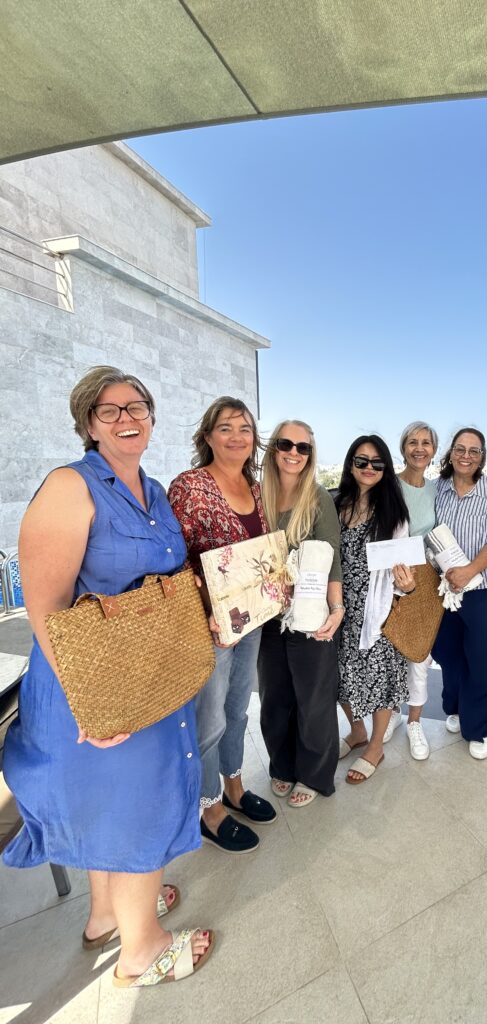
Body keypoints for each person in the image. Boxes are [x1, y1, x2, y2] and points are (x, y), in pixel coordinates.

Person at [2, 366, 213, 987]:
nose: (126, 418)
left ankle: (106, 916)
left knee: (110, 809)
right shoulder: (71, 487)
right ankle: (142, 950)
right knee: (139, 806)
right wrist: (93, 703)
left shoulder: (152, 489)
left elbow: (165, 577)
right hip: (95, 688)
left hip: (149, 678)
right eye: (109, 410)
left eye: (137, 406)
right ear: (88, 424)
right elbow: (45, 608)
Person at [168, 397, 276, 854]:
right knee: (207, 719)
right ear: (208, 436)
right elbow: (171, 561)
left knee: (237, 708)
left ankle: (233, 784)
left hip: (250, 621)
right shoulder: (189, 487)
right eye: (226, 428)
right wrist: (203, 604)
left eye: (245, 429)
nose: (237, 437)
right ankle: (207, 807)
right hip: (206, 626)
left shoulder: (254, 487)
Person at [257, 420, 343, 807]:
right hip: (266, 616)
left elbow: (333, 562)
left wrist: (336, 608)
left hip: (310, 616)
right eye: (286, 444)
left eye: (303, 447)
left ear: (311, 455)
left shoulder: (319, 499)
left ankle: (314, 773)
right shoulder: (255, 496)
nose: (294, 452)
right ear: (273, 448)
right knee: (275, 696)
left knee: (314, 699)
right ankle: (283, 765)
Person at [336, 435, 415, 783]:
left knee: (381, 681)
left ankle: (376, 745)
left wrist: (407, 584)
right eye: (361, 461)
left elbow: (402, 577)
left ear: (386, 468)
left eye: (377, 463)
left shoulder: (394, 514)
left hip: (376, 612)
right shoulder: (336, 504)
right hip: (338, 609)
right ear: (350, 464)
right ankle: (357, 732)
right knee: (341, 679)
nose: (368, 468)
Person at [432, 427, 487, 759]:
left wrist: (469, 572)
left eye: (474, 451)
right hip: (444, 589)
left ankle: (478, 727)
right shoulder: (436, 490)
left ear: (482, 457)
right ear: (450, 453)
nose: (466, 455)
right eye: (460, 449)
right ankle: (454, 705)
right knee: (448, 653)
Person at [383, 421, 439, 760]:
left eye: (426, 443)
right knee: (389, 650)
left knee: (419, 653)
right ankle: (390, 712)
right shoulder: (388, 486)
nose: (419, 448)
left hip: (427, 581)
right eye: (413, 442)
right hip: (389, 580)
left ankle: (415, 721)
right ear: (403, 447)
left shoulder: (438, 489)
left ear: (434, 449)